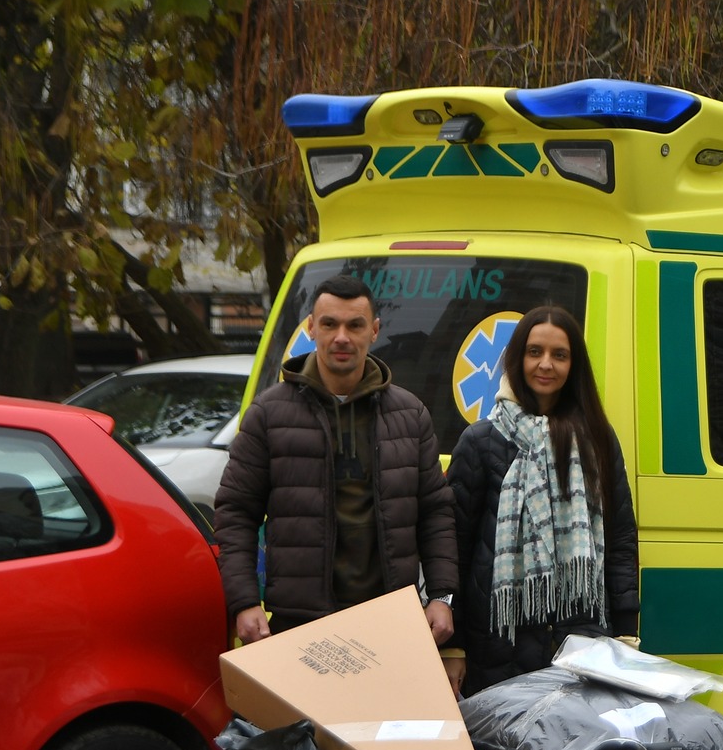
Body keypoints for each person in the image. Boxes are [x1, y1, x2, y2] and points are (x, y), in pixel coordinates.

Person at [214, 272, 460, 671]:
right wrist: (242, 601)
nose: (341, 337)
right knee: (306, 734)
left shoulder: (410, 414)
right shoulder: (269, 414)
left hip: (390, 620)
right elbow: (235, 512)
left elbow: (436, 512)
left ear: (375, 331)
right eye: (329, 324)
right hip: (300, 622)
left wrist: (443, 596)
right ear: (311, 328)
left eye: (355, 325)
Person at [446, 305, 638, 696]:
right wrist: (454, 645)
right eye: (535, 352)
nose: (545, 364)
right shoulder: (481, 440)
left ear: (574, 366)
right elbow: (456, 551)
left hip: (581, 642)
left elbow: (620, 542)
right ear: (517, 358)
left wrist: (626, 633)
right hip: (499, 645)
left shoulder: (598, 438)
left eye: (559, 355)